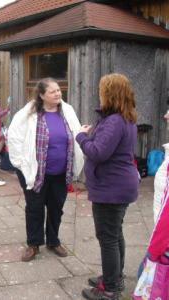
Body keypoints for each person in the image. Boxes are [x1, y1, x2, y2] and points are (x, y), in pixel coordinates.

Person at [76, 73, 139, 300]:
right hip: (119, 185)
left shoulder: (114, 121)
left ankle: (110, 289)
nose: (99, 94)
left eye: (102, 90)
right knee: (114, 233)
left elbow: (98, 152)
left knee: (108, 237)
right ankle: (115, 276)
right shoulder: (125, 118)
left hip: (111, 188)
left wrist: (82, 137)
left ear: (110, 94)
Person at [8, 78, 84, 262]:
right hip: (35, 172)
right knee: (34, 208)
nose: (58, 93)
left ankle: (53, 240)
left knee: (56, 208)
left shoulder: (67, 111)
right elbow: (14, 137)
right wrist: (20, 164)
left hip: (61, 172)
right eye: (52, 91)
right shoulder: (28, 113)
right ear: (42, 95)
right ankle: (33, 244)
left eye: (58, 90)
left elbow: (75, 133)